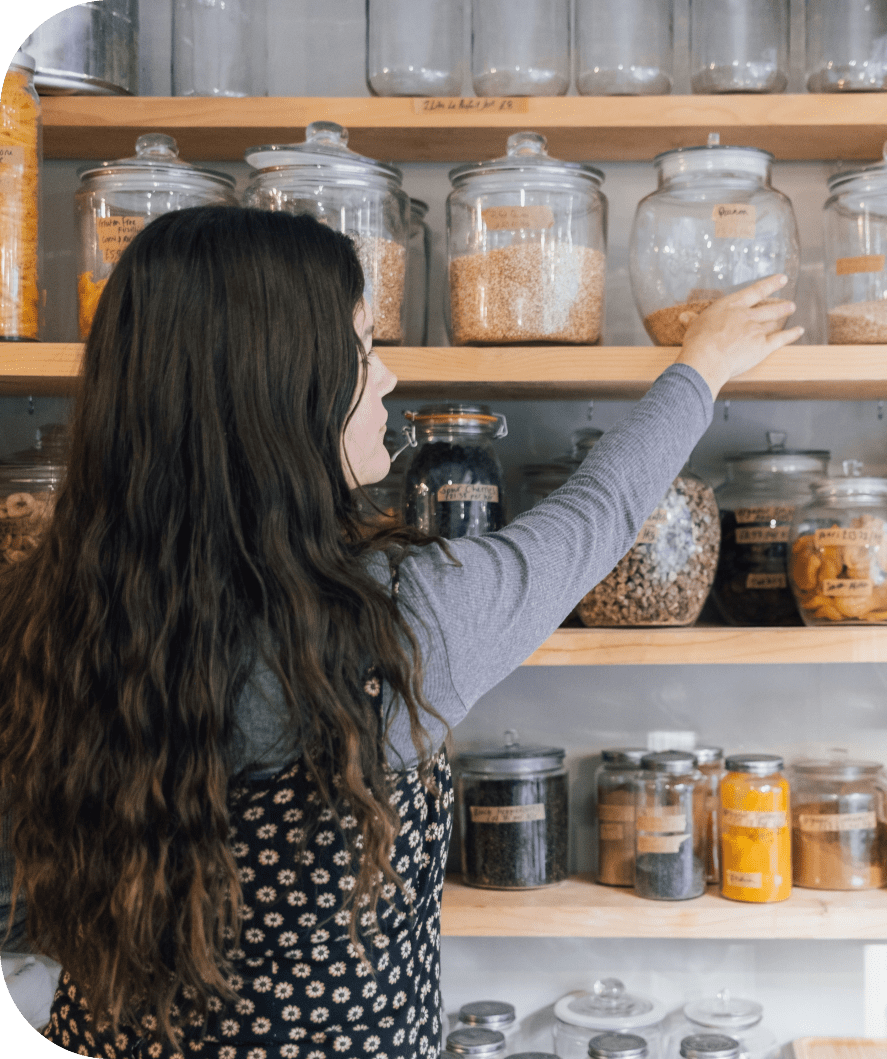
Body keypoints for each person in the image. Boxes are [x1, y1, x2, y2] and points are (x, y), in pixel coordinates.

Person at [0, 206, 801, 1059]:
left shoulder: (43, 613)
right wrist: (702, 366)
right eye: (363, 349)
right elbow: (592, 519)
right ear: (281, 389)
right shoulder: (392, 624)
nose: (387, 378)